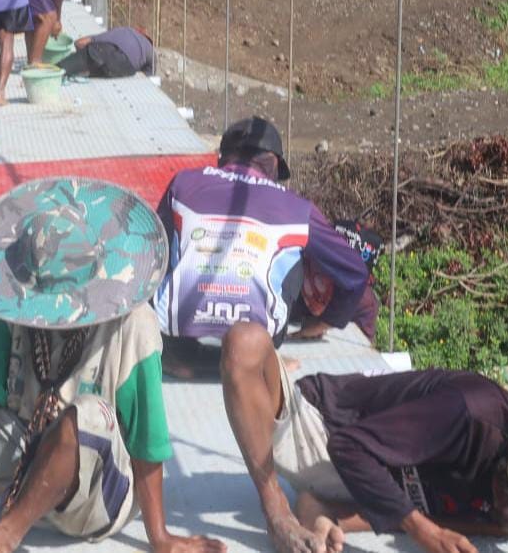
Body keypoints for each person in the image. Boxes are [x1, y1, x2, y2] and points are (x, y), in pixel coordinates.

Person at [0, 178, 225, 553]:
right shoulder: (7, 304)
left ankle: (6, 534)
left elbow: (147, 440)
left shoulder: (133, 325)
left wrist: (160, 537)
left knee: (86, 415)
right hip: (24, 459)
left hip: (91, 493)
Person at [150, 116, 370, 552]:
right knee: (284, 274)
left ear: (223, 159)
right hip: (255, 348)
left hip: (177, 348)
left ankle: (191, 362)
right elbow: (354, 274)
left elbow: (151, 249)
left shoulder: (183, 183)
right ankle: (259, 375)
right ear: (271, 163)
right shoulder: (297, 208)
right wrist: (324, 323)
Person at [272, 365, 508, 553]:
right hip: (331, 429)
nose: (507, 506)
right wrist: (423, 531)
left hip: (402, 471)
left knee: (505, 526)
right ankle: (325, 502)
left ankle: (325, 508)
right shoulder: (467, 411)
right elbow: (348, 448)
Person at [57, 25, 154, 79]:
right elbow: (148, 76)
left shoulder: (126, 31)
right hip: (124, 69)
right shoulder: (151, 51)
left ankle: (56, 71)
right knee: (98, 66)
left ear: (137, 31)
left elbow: (84, 42)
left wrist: (78, 51)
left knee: (85, 57)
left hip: (106, 54)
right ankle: (86, 71)